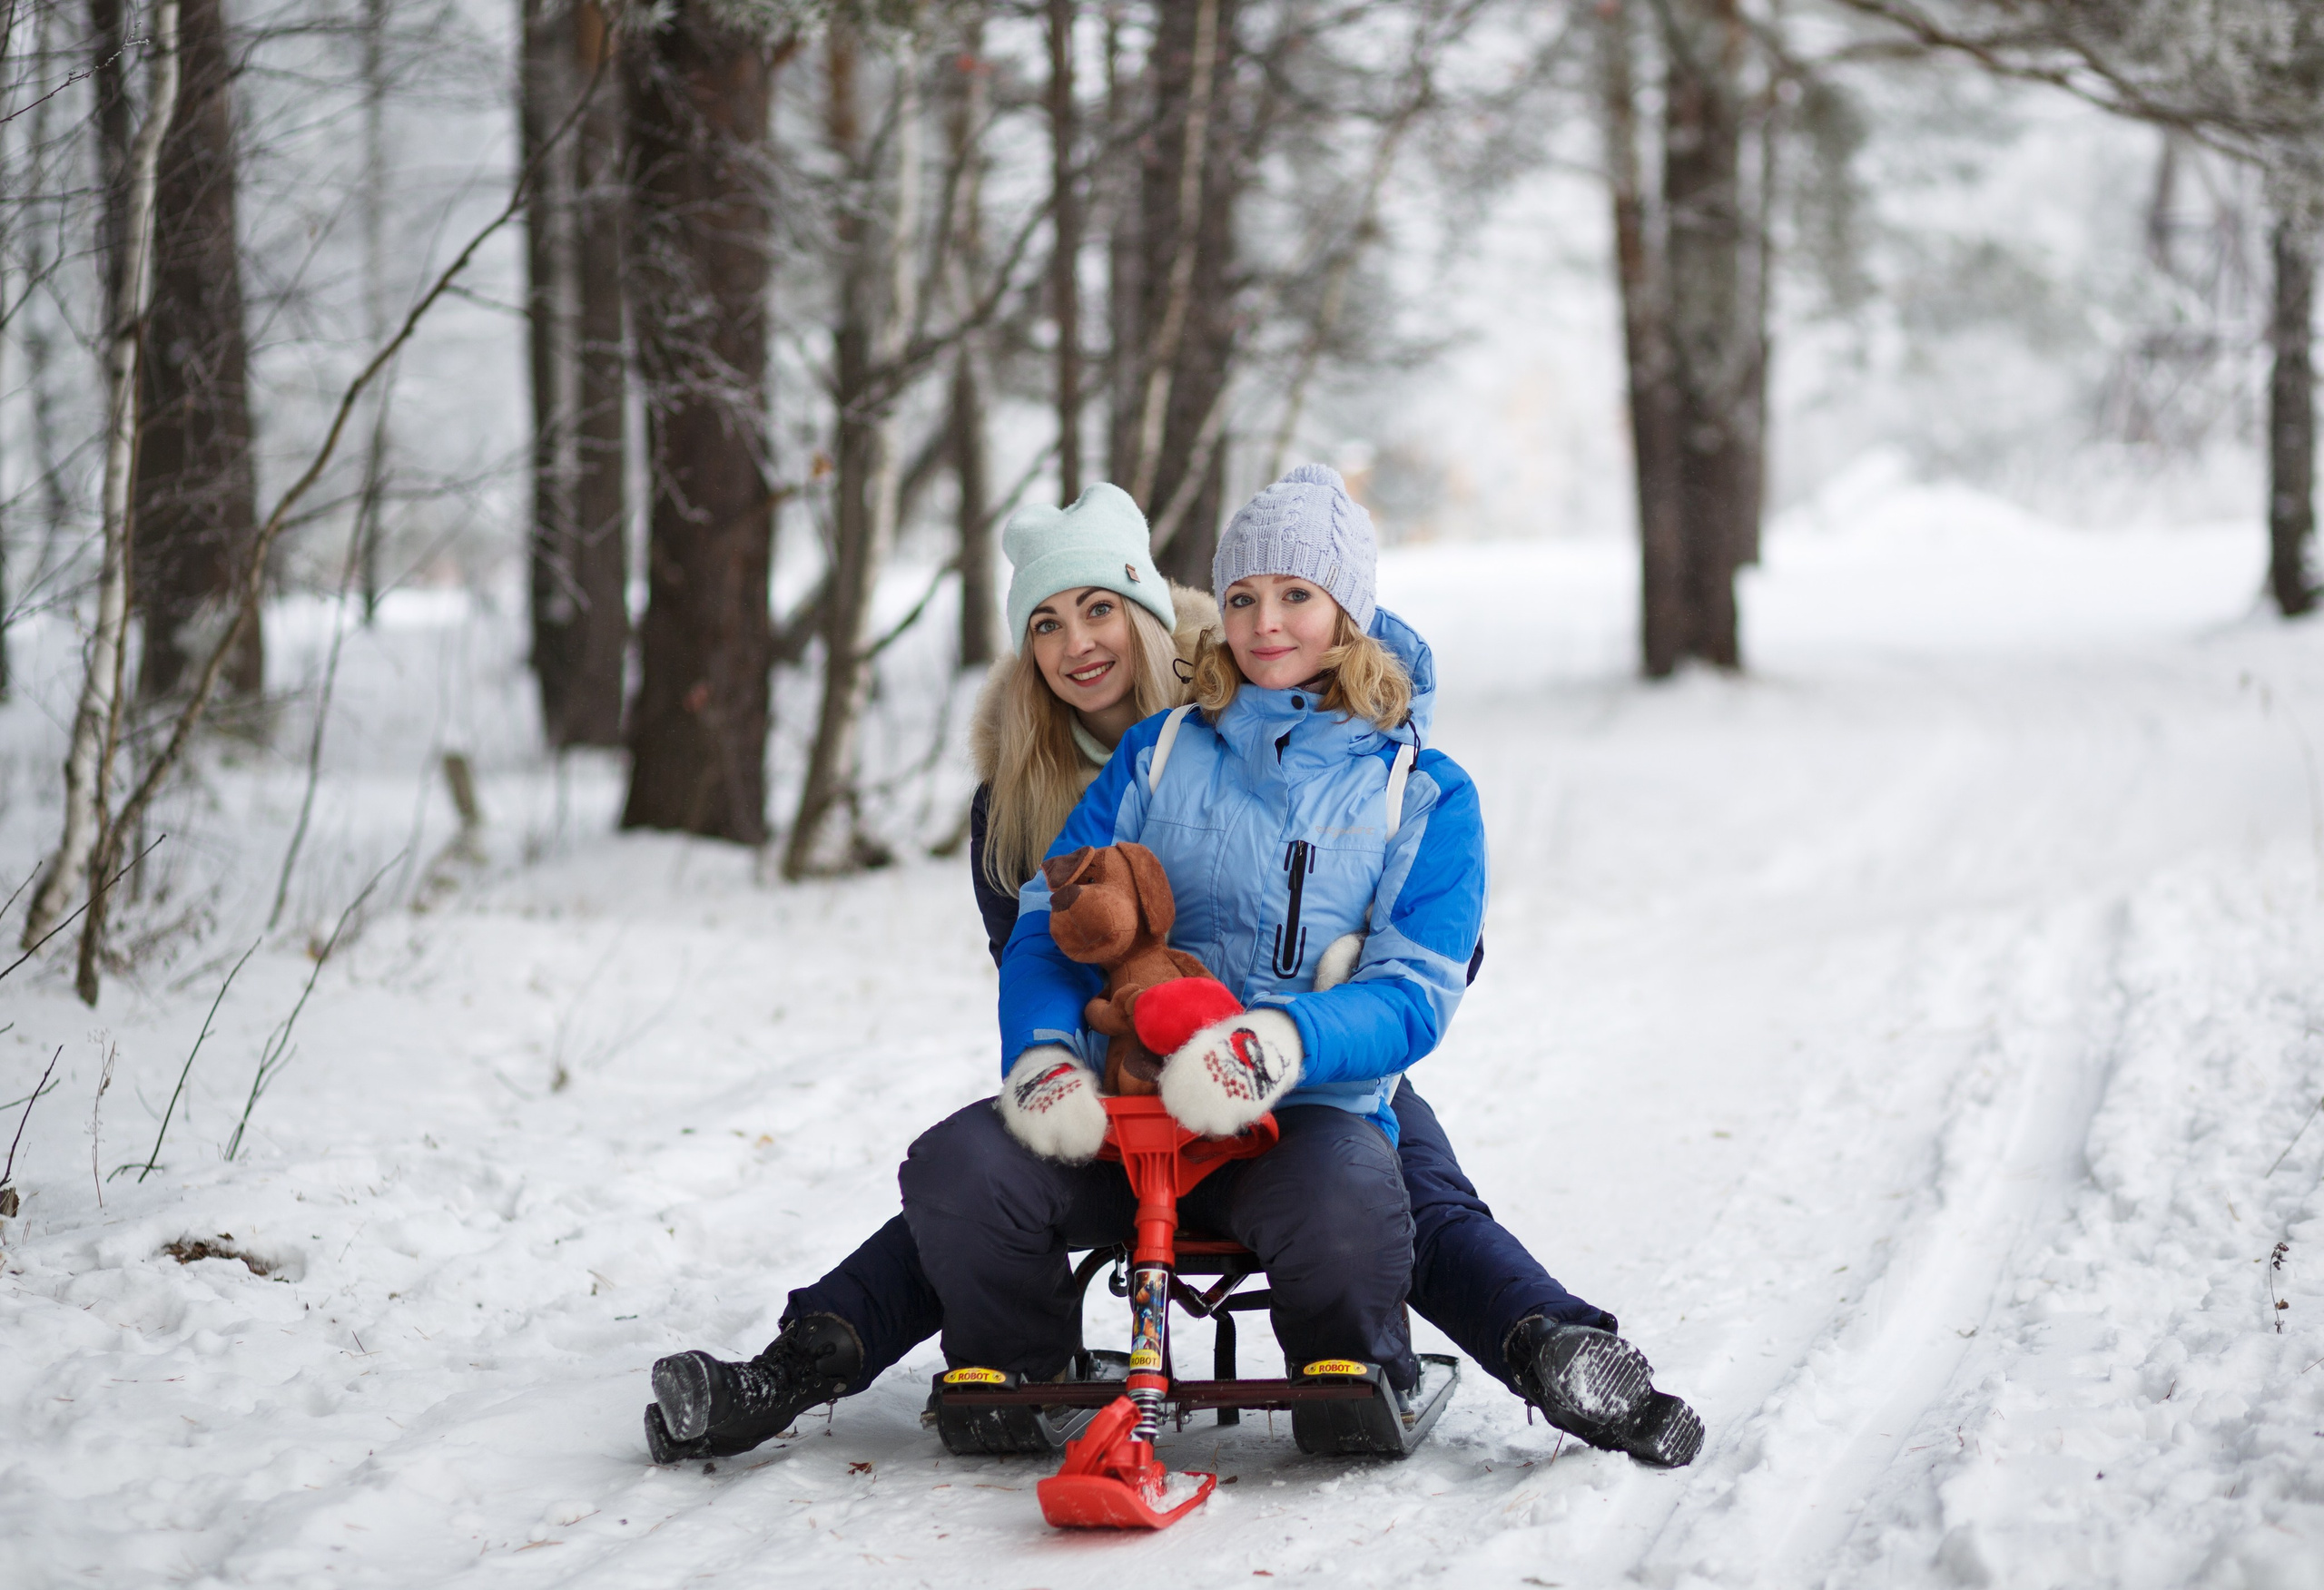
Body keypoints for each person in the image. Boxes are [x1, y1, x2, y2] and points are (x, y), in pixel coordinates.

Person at [645, 474, 1700, 1469]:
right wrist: (1047, 1057)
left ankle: (1548, 1348)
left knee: (1398, 1198)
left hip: (1309, 1082)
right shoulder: (1111, 769)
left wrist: (1290, 1038)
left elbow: (1422, 975)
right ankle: (816, 1365)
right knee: (962, 1176)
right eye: (1246, 596)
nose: (1265, 620)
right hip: (1127, 1088)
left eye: (1297, 595)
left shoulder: (1405, 784)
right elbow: (1042, 942)